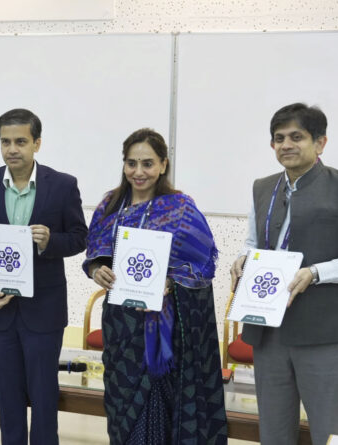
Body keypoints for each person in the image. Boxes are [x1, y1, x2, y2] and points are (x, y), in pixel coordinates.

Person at [230, 103, 338, 445]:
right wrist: (243, 259)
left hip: (325, 333)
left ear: (320, 142)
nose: (286, 145)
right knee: (273, 430)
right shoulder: (262, 187)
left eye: (296, 137)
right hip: (269, 331)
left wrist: (315, 273)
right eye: (279, 138)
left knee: (328, 430)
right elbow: (253, 242)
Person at [84, 128, 228, 445]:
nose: (138, 172)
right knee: (122, 408)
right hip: (121, 327)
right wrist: (97, 271)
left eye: (147, 163)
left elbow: (201, 266)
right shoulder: (110, 206)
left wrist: (172, 282)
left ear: (163, 164)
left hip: (165, 331)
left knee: (159, 410)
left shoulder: (181, 209)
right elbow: (95, 256)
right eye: (131, 163)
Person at [0, 108, 88, 445]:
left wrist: (51, 241)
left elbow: (80, 237)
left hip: (44, 311)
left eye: (20, 141)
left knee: (44, 399)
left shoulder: (62, 185)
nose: (12, 149)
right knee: (7, 399)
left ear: (37, 143)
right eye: (5, 142)